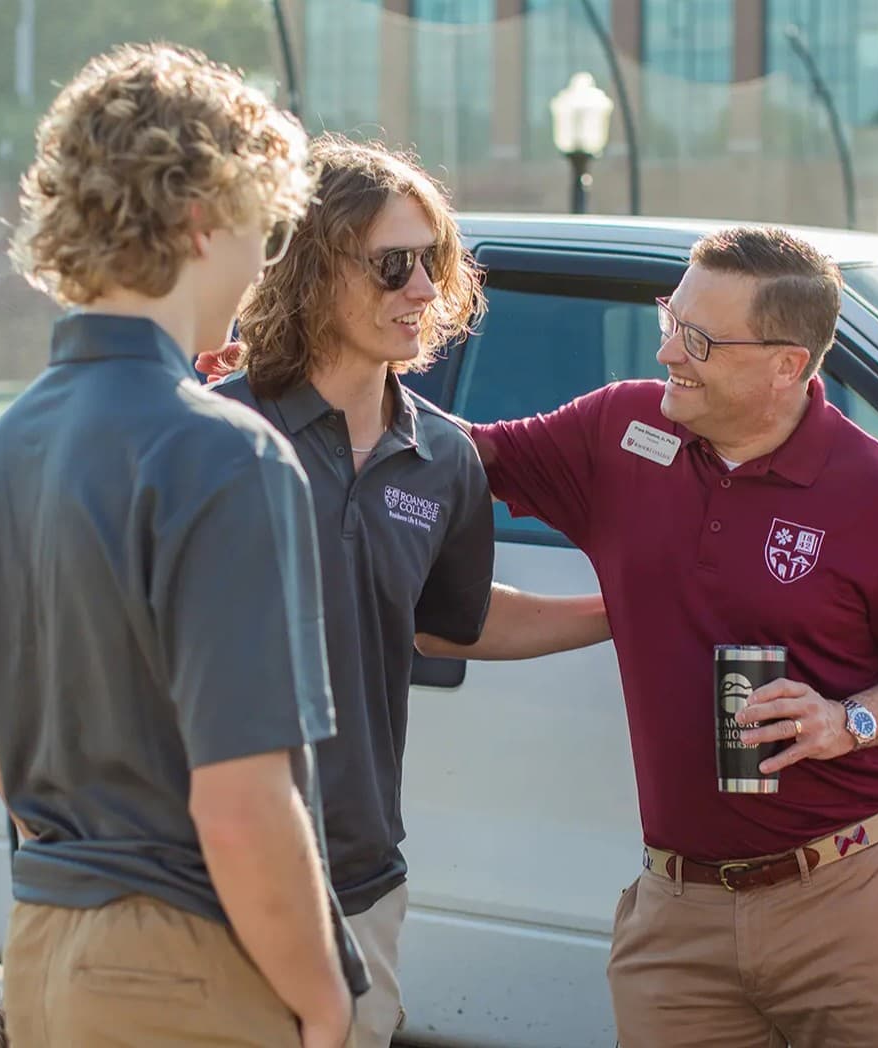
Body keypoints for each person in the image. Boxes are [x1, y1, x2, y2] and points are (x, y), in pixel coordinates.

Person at [426, 226, 878, 1047]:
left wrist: (847, 721)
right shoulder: (622, 428)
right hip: (676, 912)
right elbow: (466, 454)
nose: (667, 353)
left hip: (846, 897)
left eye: (699, 339)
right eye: (669, 319)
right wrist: (314, 379)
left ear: (788, 365)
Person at [0, 43, 358, 1047]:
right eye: (264, 232)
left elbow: (1, 763)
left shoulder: (12, 439)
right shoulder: (224, 452)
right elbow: (240, 801)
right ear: (202, 216)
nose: (263, 263)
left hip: (43, 946)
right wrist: (323, 1000)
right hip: (187, 961)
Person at [201, 133, 610, 1047]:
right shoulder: (217, 435)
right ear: (308, 266)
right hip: (202, 877)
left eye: (433, 263)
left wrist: (621, 613)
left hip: (359, 877)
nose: (423, 290)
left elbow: (451, 622)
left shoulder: (445, 459)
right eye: (393, 265)